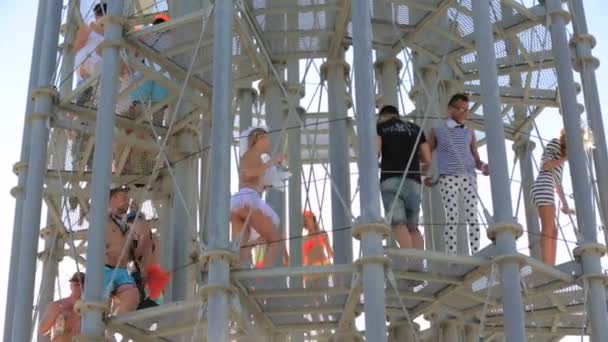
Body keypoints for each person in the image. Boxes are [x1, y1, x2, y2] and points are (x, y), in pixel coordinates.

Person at [427, 94, 490, 255]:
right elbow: (426, 154)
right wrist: (424, 174)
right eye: (461, 109)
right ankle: (452, 255)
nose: (464, 112)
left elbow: (475, 158)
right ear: (450, 110)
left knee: (473, 218)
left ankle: (476, 253)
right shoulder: (437, 131)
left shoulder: (469, 132)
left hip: (469, 177)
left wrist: (483, 167)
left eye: (466, 109)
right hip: (448, 177)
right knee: (453, 217)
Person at [376, 105, 431, 251]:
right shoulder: (415, 128)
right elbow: (427, 158)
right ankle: (418, 264)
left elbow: (375, 153)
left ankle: (409, 259)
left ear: (383, 116)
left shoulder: (380, 127)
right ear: (397, 115)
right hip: (413, 180)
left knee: (398, 223)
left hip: (390, 179)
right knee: (413, 227)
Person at [230, 127, 286, 268]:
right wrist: (272, 162)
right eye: (267, 139)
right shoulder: (253, 154)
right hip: (249, 201)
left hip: (239, 204)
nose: (270, 144)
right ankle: (262, 281)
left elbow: (253, 177)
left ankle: (239, 274)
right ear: (259, 138)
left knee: (241, 245)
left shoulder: (250, 156)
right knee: (274, 241)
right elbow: (247, 174)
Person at [530, 130, 571, 265]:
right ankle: (547, 264)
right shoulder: (555, 144)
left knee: (553, 230)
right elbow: (546, 166)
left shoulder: (562, 159)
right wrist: (565, 158)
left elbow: (558, 184)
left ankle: (551, 264)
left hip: (548, 187)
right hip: (543, 185)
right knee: (548, 227)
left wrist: (565, 204)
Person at [104, 185, 140, 313]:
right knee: (101, 306)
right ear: (112, 199)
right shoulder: (104, 218)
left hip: (121, 270)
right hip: (104, 269)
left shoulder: (125, 224)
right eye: (124, 198)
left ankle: (111, 330)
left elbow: (131, 252)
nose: (127, 202)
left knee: (132, 298)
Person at [39, 272, 85, 341]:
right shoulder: (56, 306)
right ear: (70, 286)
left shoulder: (91, 309)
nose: (79, 284)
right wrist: (56, 314)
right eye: (75, 282)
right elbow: (42, 330)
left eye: (82, 282)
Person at [302, 211, 334, 286]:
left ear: (314, 219)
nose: (306, 222)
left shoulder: (323, 234)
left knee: (323, 294)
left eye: (309, 218)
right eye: (305, 220)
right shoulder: (304, 239)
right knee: (311, 296)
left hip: (322, 270)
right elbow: (302, 259)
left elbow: (329, 252)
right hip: (310, 272)